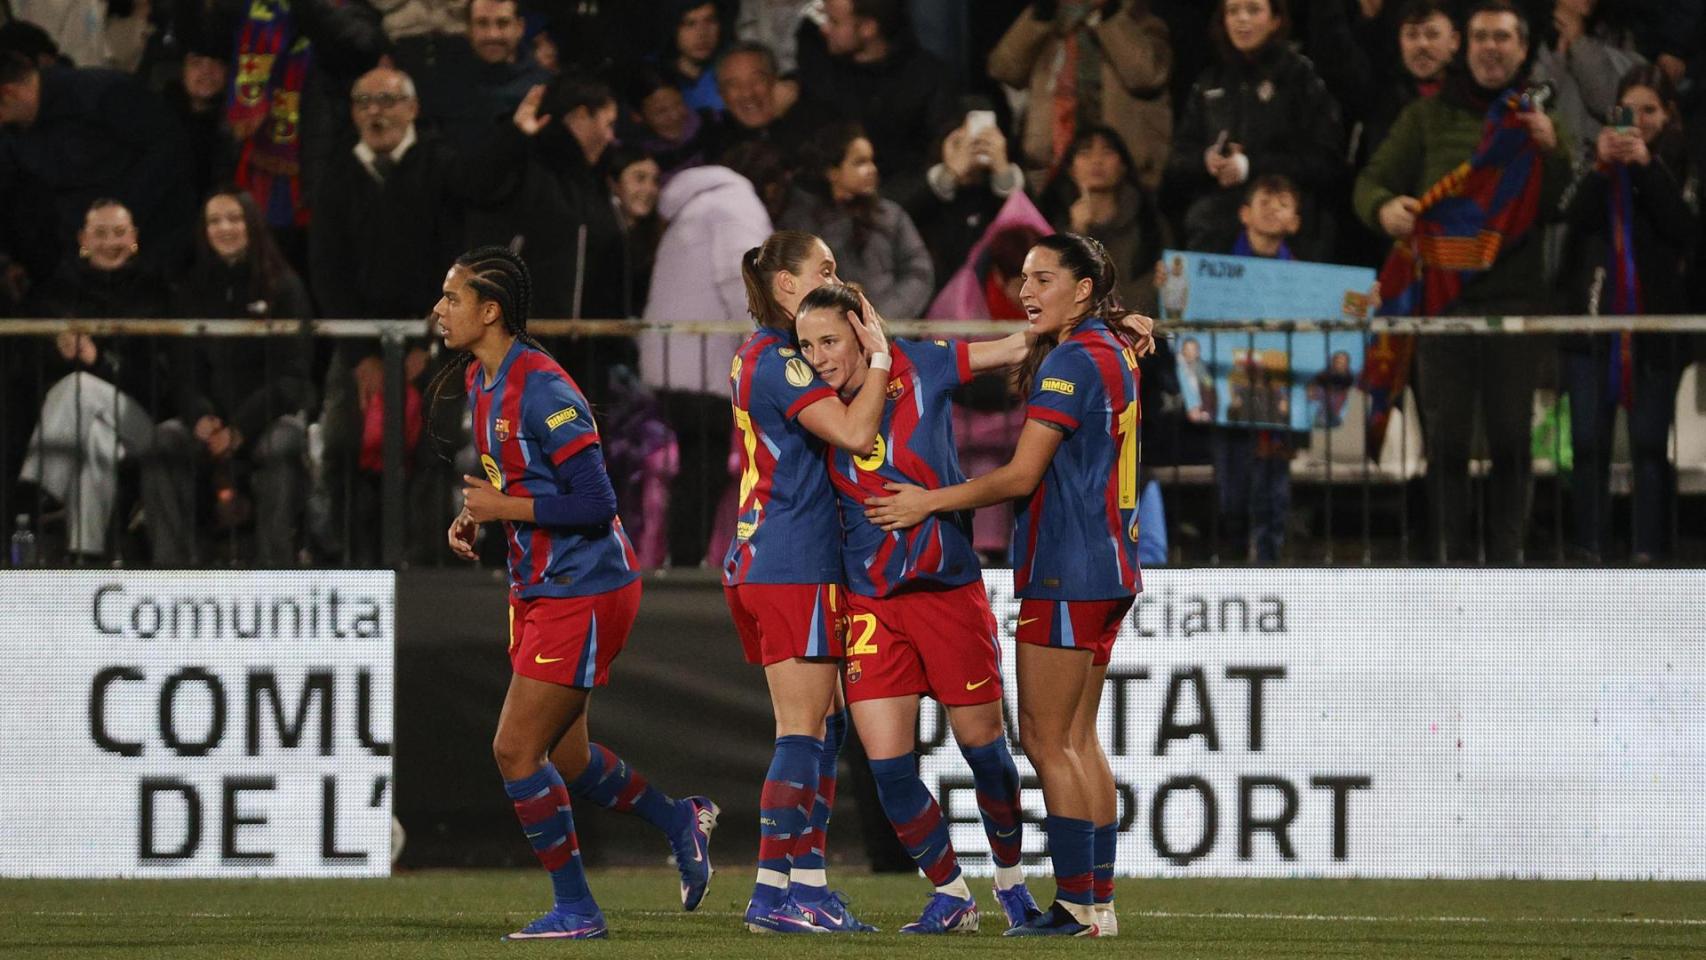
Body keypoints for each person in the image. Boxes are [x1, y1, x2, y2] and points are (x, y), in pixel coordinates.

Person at [867, 232, 1152, 938]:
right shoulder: (1107, 349)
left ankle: (1078, 907)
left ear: (1083, 288)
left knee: (1048, 739)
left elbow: (1021, 476)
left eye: (1044, 278)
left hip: (1067, 568)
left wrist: (926, 501)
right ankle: (1100, 903)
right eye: (1024, 278)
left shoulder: (1071, 364)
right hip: (1110, 565)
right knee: (1080, 740)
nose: (1027, 291)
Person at [431, 246, 718, 940]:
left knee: (514, 751)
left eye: (452, 297)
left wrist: (507, 512)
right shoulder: (481, 381)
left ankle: (578, 910)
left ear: (490, 309)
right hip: (538, 586)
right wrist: (480, 516)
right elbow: (523, 484)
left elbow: (596, 500)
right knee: (567, 759)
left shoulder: (544, 388)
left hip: (584, 587)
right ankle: (679, 818)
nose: (439, 310)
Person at [793, 282, 1043, 933]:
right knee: (887, 766)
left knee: (984, 750)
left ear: (861, 331)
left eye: (830, 341)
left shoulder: (922, 363)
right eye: (807, 345)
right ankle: (953, 893)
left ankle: (1012, 883)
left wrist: (1102, 324)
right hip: (872, 604)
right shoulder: (811, 405)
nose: (819, 356)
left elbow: (1015, 345)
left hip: (946, 593)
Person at [1353, 0, 1575, 564]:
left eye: (1502, 37)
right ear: (1463, 46)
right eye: (1480, 36)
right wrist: (1385, 210)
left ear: (1523, 49)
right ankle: (1452, 564)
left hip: (1514, 305)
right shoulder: (1426, 117)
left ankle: (1508, 562)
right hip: (1439, 306)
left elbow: (1560, 206)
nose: (1490, 47)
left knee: (1510, 443)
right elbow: (1370, 183)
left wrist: (1552, 152)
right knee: (1446, 445)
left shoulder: (1538, 122)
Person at [725, 231, 889, 934]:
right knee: (801, 732)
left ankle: (810, 885)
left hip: (778, 557)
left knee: (822, 727)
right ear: (787, 287)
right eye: (824, 268)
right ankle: (770, 894)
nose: (838, 277)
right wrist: (878, 355)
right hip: (792, 560)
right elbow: (855, 432)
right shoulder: (776, 362)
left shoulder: (769, 354)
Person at [1559, 63, 1697, 561]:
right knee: (1588, 445)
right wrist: (1600, 169)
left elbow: (1686, 229)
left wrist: (1646, 167)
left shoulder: (1681, 162)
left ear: (1669, 114)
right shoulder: (1595, 157)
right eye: (1628, 110)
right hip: (1590, 325)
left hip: (1655, 331)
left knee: (1647, 447)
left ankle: (1649, 556)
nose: (1638, 121)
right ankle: (1588, 550)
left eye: (1650, 110)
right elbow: (1570, 213)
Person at [146, 188, 316, 566]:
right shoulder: (190, 289)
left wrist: (240, 428)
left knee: (280, 447)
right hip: (210, 423)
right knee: (163, 442)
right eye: (214, 220)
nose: (225, 228)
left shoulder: (284, 287)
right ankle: (170, 569)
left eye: (234, 219)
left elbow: (293, 376)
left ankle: (278, 569)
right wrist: (201, 416)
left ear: (252, 225)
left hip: (268, 418)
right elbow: (183, 370)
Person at [15, 198, 166, 560]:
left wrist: (96, 360)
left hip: (145, 424)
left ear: (134, 238)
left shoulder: (157, 293)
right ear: (83, 239)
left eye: (118, 233)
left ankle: (35, 490)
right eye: (99, 233)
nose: (109, 242)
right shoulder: (58, 293)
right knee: (97, 439)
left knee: (79, 386)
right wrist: (59, 353)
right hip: (83, 428)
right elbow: (29, 371)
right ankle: (86, 554)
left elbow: (161, 381)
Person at [1164, 0, 1345, 260]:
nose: (1242, 19)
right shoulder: (1208, 82)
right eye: (1233, 11)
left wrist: (1249, 166)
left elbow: (1326, 160)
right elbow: (1177, 161)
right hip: (1215, 236)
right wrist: (1206, 162)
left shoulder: (1300, 77)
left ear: (1276, 20)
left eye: (1253, 9)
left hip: (1292, 238)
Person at [987, 0, 1174, 193]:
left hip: (1120, 172)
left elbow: (1147, 77)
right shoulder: (1050, 23)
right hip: (1049, 166)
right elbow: (1004, 69)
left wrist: (1108, 15)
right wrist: (1041, 14)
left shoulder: (1140, 21)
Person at [780, 122, 934, 318]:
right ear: (832, 171)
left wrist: (885, 317)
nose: (872, 169)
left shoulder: (889, 215)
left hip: (889, 329)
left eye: (872, 161)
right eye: (860, 162)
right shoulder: (803, 222)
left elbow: (919, 271)